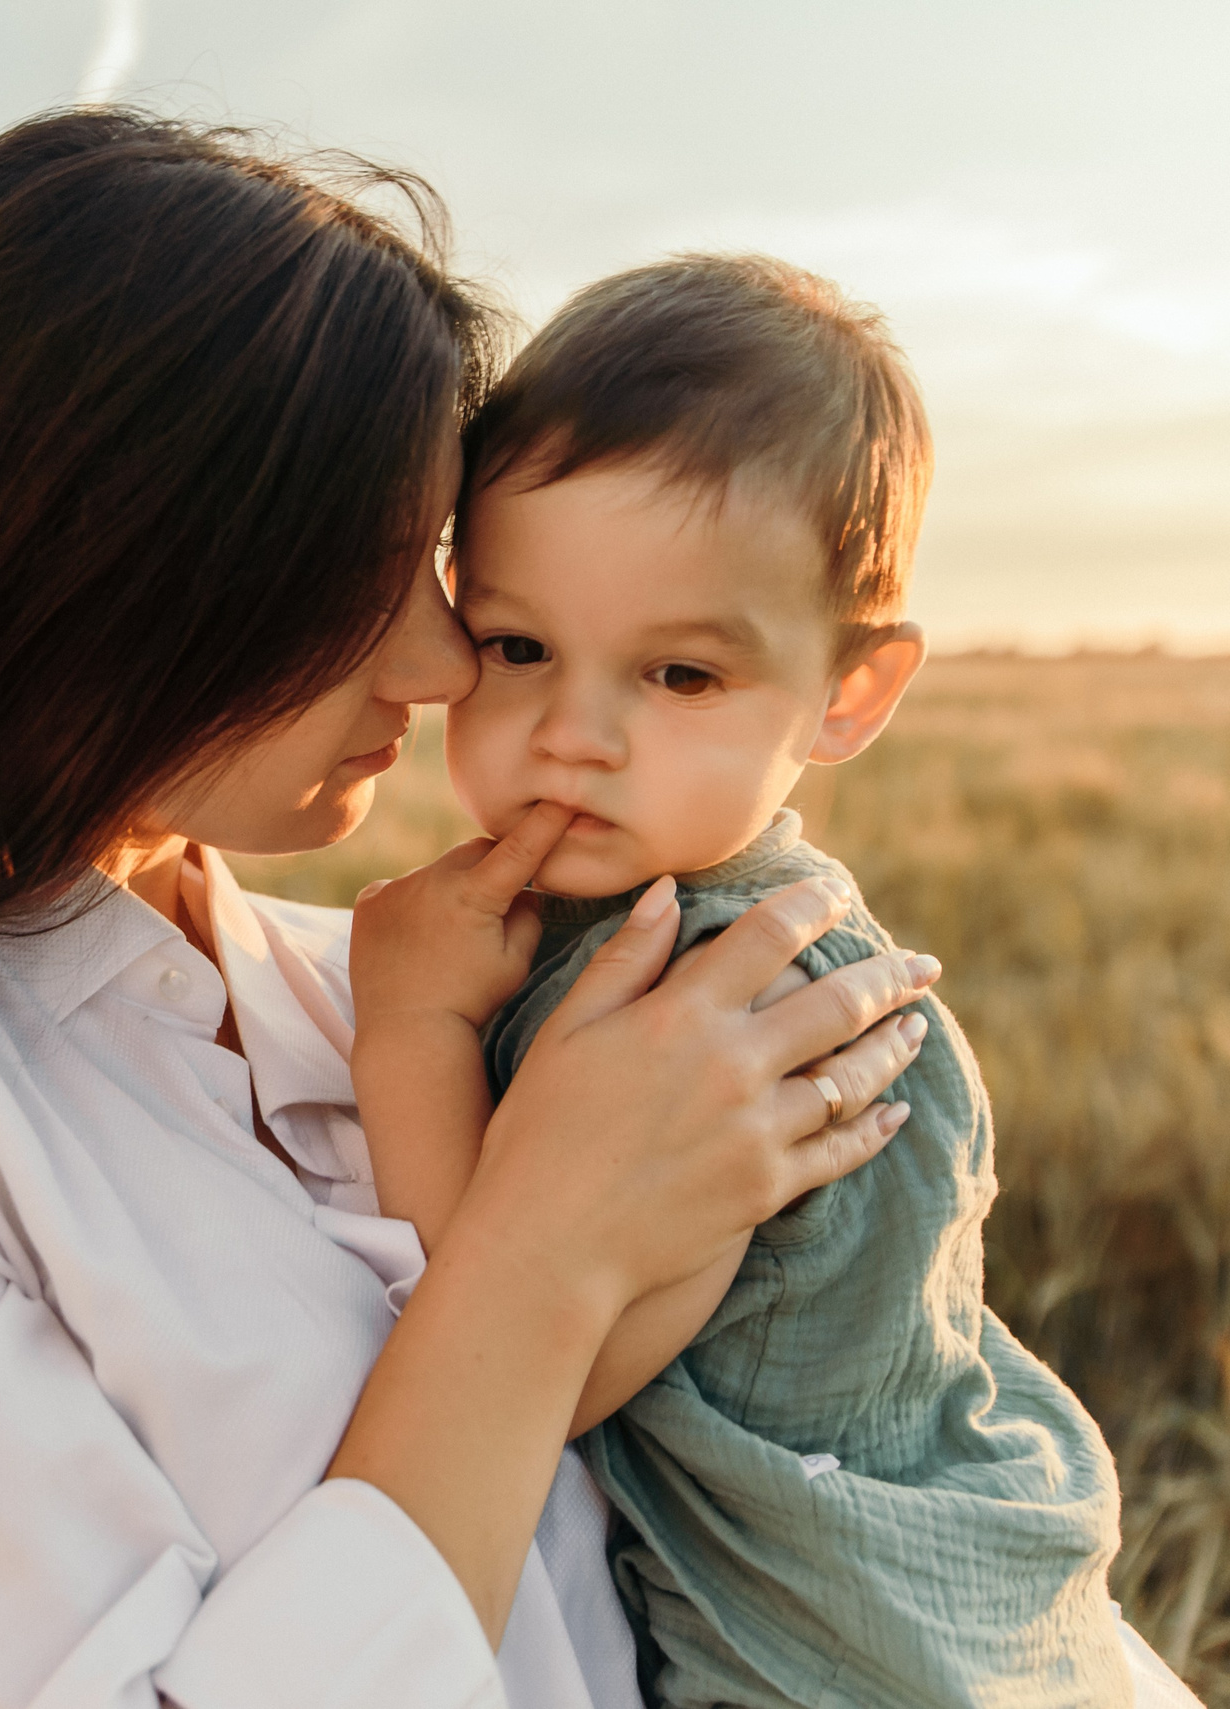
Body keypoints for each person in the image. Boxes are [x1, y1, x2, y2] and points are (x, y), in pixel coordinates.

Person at [0, 112, 938, 1708]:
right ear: (103, 566)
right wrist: (545, 1252)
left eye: (445, 570)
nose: (448, 665)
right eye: (368, 566)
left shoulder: (392, 995)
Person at [355, 254, 1193, 1704]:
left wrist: (416, 1030)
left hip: (842, 1657)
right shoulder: (683, 921)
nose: (576, 732)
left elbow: (546, 1358)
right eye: (519, 645)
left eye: (679, 676)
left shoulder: (712, 1003)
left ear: (850, 694)